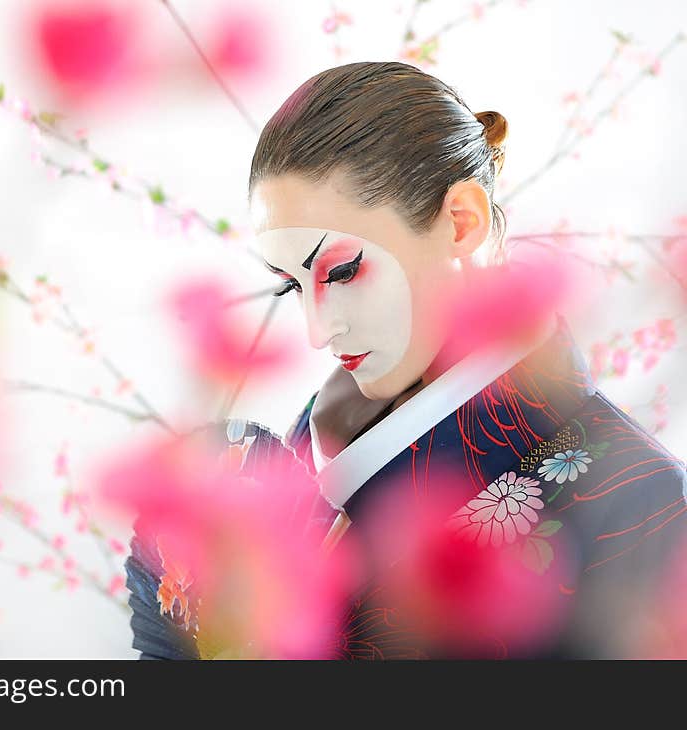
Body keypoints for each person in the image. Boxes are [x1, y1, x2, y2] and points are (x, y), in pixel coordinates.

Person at [248, 61, 687, 658]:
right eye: (292, 286)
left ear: (461, 223)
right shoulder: (306, 446)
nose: (318, 331)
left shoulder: (641, 498)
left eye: (345, 272)